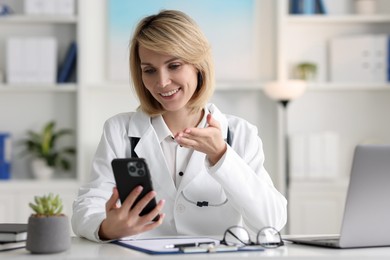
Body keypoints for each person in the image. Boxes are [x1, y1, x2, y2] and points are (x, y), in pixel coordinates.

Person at [72, 9, 287, 242]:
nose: (162, 82)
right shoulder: (119, 130)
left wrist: (221, 155)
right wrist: (106, 228)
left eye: (174, 65)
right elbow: (86, 209)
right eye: (149, 70)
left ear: (198, 65)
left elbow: (271, 223)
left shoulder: (241, 133)